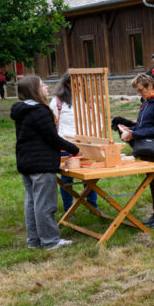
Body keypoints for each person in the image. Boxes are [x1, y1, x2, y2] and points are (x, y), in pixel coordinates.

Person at [11, 75, 81, 250]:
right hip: (40, 163)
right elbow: (52, 138)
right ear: (34, 90)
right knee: (45, 204)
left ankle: (34, 241)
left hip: (26, 162)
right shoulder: (39, 111)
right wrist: (75, 149)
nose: (47, 88)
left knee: (32, 202)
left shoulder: (23, 109)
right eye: (43, 86)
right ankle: (50, 241)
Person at [117, 74, 154, 228]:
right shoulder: (147, 102)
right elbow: (144, 126)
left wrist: (134, 134)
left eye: (140, 90)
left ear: (150, 85)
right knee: (152, 181)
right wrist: (130, 129)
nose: (139, 94)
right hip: (149, 148)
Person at [50, 72, 99, 212]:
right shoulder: (58, 102)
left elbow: (98, 119)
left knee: (90, 177)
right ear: (66, 84)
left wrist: (91, 136)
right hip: (66, 144)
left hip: (85, 144)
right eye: (75, 83)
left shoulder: (86, 100)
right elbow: (51, 122)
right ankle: (68, 210)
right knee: (66, 179)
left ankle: (92, 207)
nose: (78, 86)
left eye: (81, 83)